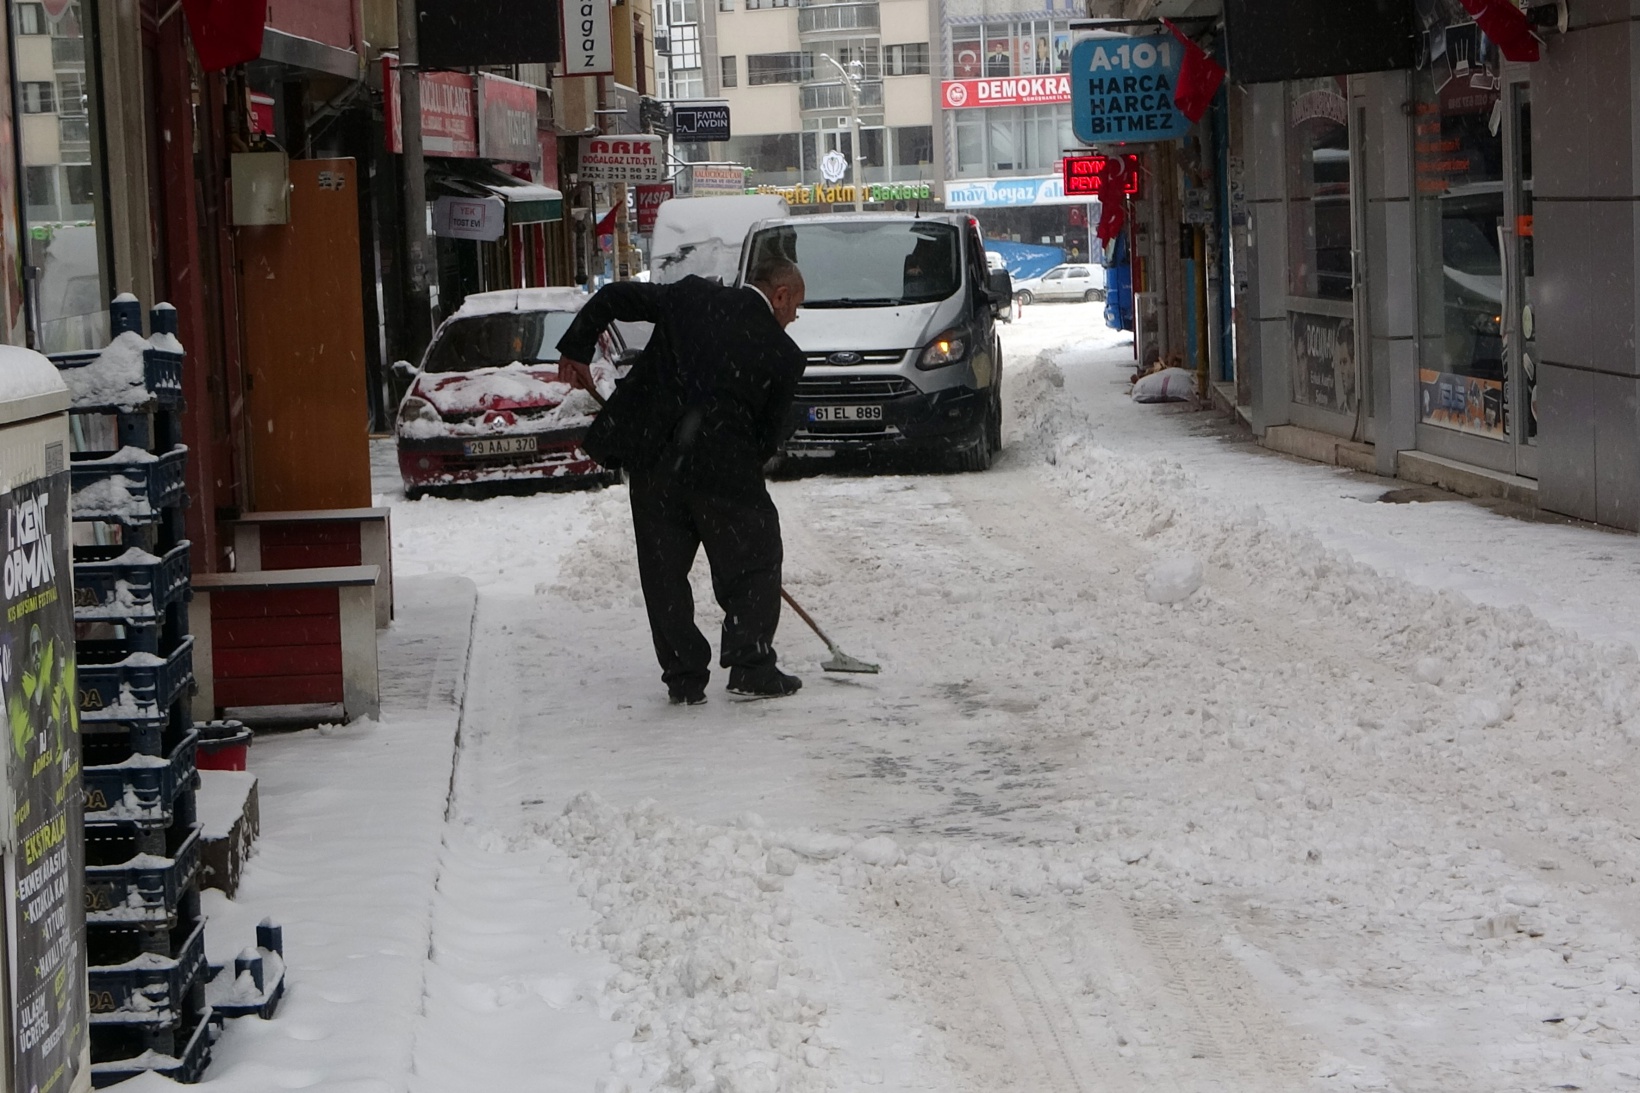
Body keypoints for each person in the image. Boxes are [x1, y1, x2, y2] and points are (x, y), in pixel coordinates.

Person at [556, 258, 808, 704]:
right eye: (795, 309)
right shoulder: (782, 354)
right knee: (755, 560)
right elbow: (768, 437)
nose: (793, 319)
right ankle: (750, 664)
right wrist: (734, 468)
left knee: (663, 572)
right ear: (781, 295)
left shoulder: (691, 296)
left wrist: (576, 348)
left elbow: (614, 296)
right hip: (726, 475)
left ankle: (684, 676)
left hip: (656, 460)